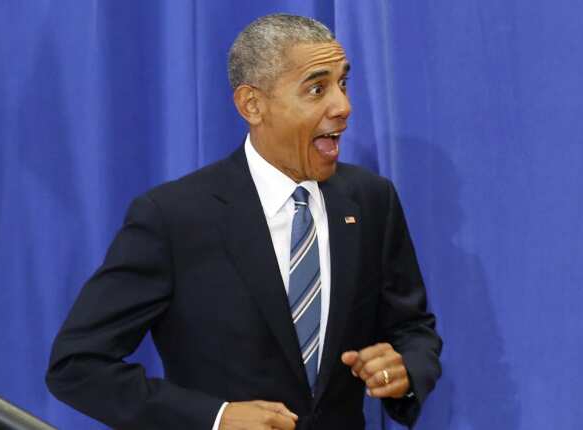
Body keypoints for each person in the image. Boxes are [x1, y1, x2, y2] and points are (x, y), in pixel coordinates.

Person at [46, 14, 441, 430]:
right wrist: (215, 418)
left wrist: (405, 371)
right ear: (252, 105)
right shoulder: (173, 217)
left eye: (343, 83)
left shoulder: (371, 200)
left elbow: (412, 329)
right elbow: (77, 365)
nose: (343, 106)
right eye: (317, 88)